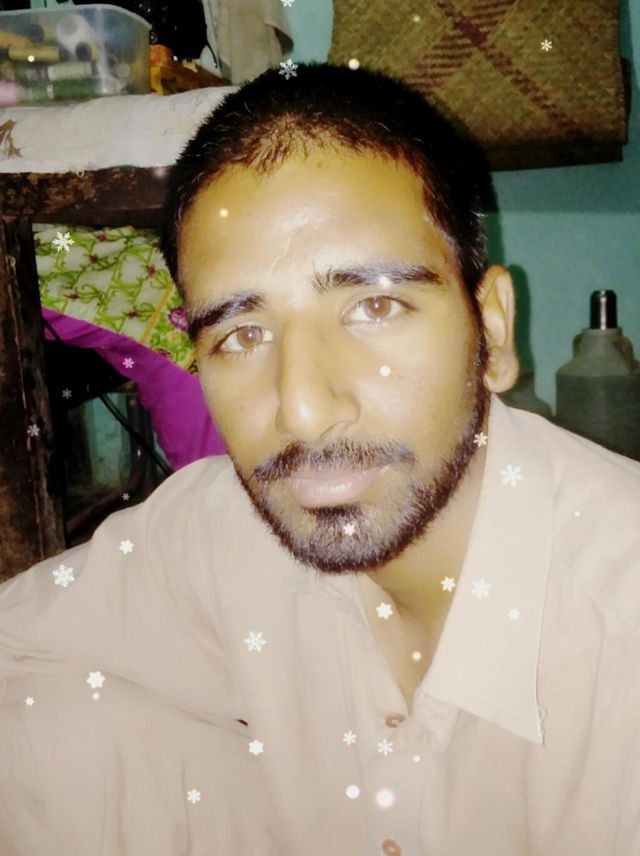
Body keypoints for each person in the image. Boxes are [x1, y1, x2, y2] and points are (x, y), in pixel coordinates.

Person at [1, 62, 638, 856]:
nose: (302, 408)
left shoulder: (618, 639)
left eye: (375, 306)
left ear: (494, 333)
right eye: (243, 335)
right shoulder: (220, 532)